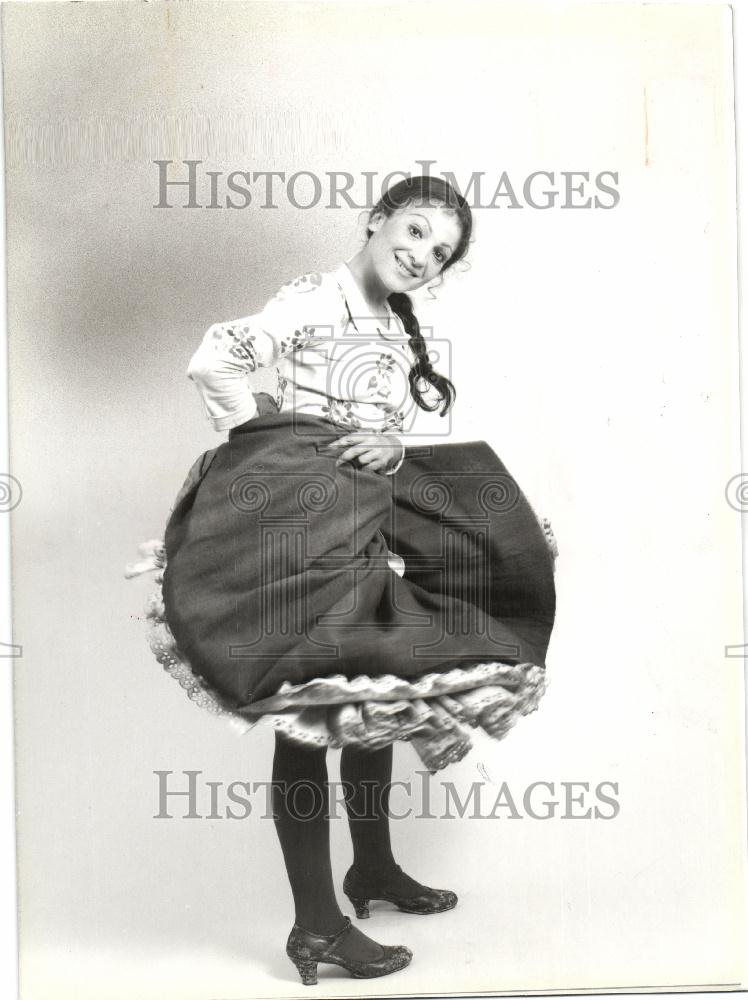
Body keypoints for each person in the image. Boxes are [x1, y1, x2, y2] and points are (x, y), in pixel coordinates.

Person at [126, 176, 557, 986]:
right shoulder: (310, 299)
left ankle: (374, 871)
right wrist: (267, 438)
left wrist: (389, 452)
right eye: (418, 229)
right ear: (377, 218)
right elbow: (214, 358)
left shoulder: (392, 324)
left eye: (440, 251)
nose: (423, 254)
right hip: (300, 533)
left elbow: (381, 434)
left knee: (370, 693)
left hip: (356, 527)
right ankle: (317, 927)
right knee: (307, 715)